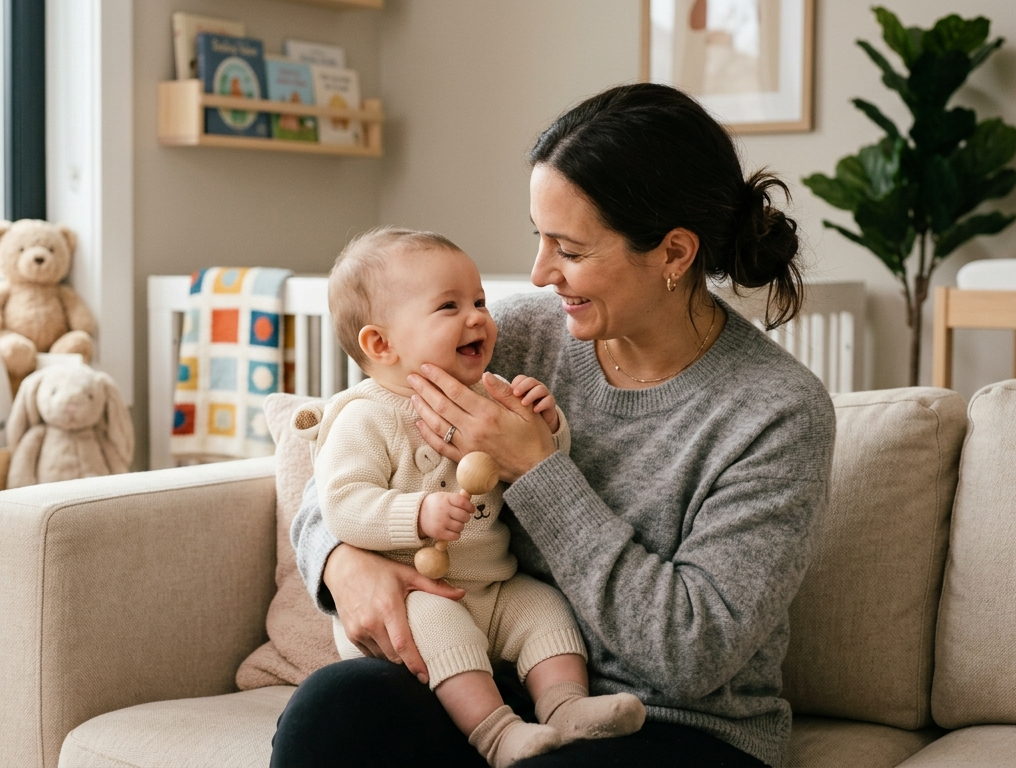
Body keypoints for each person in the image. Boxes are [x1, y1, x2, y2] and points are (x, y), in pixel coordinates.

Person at [272, 83, 836, 768]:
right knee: (334, 710)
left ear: (674, 254)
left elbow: (693, 653)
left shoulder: (774, 412)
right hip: (495, 688)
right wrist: (341, 561)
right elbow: (352, 447)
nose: (541, 274)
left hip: (679, 729)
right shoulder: (514, 337)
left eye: (568, 249)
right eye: (538, 238)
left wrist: (539, 470)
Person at [294, 226, 646, 768]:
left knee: (546, 610)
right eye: (449, 306)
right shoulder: (364, 416)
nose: (478, 316)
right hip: (417, 598)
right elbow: (338, 502)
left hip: (495, 582)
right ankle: (500, 734)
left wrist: (547, 426)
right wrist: (415, 515)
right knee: (439, 627)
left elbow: (543, 465)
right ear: (380, 343)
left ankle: (565, 708)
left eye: (479, 300)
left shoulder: (490, 389)